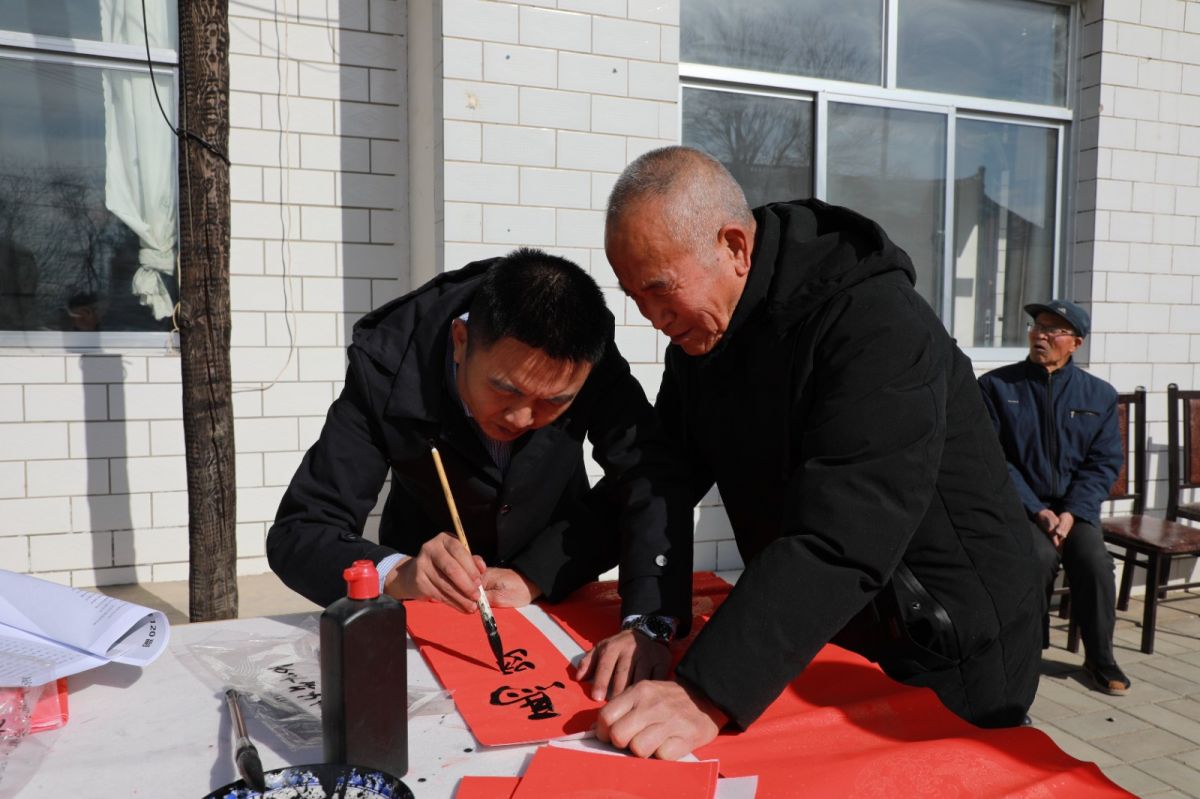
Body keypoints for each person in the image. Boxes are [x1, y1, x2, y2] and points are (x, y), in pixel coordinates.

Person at [590, 146, 1043, 760]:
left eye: (659, 289)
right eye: (634, 296)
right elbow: (661, 473)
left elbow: (847, 527)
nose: (652, 318)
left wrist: (705, 692)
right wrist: (535, 571)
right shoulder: (705, 340)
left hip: (943, 639)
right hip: (833, 628)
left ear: (734, 248)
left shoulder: (875, 321)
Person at [267, 248, 692, 670]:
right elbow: (300, 530)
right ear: (460, 340)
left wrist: (547, 577)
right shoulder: (388, 363)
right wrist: (398, 573)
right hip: (427, 605)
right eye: (506, 390)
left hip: (556, 586)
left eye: (553, 402)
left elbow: (649, 475)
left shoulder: (585, 357)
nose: (521, 418)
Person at [978, 300, 1130, 696]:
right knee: (1037, 558)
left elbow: (1103, 463)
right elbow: (993, 458)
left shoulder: (1098, 394)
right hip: (1021, 506)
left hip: (1074, 510)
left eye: (1052, 329)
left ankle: (1100, 658)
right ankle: (1028, 651)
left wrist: (1072, 513)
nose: (1040, 335)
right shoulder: (996, 387)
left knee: (1095, 562)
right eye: (1037, 326)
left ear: (1075, 343)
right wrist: (1037, 510)